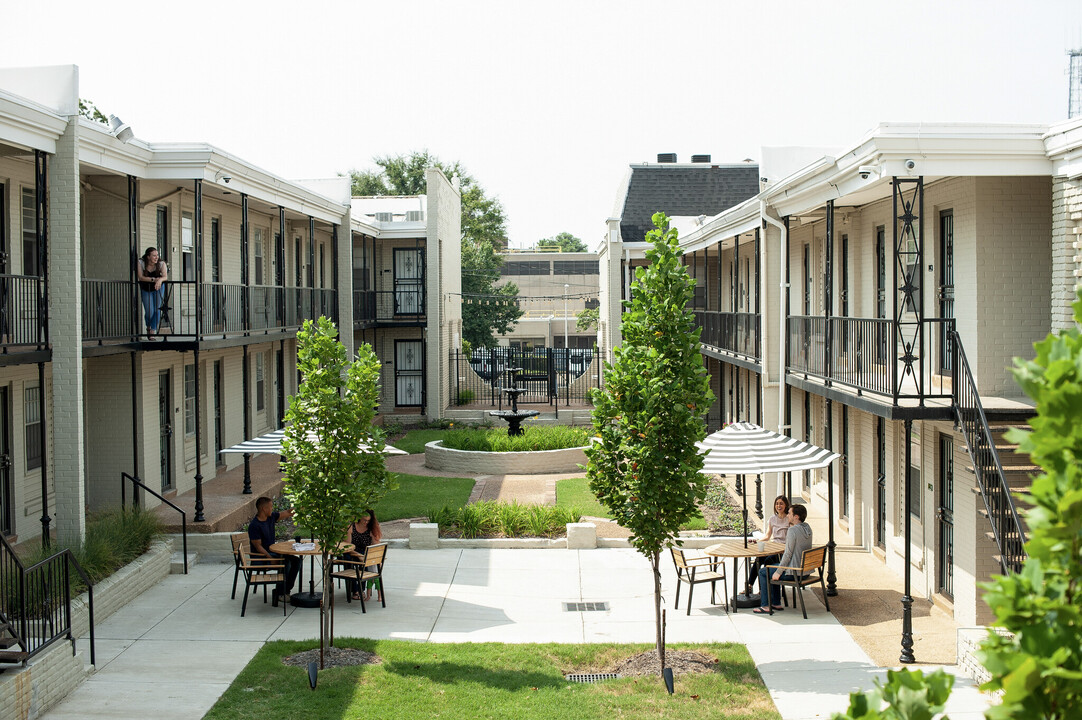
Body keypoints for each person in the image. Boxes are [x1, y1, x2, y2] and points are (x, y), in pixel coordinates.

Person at [754, 503, 812, 613]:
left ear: (796, 517)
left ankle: (765, 605)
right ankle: (776, 603)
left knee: (763, 571)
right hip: (805, 571)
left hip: (795, 573)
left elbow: (788, 554)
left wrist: (779, 572)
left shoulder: (792, 531)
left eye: (789, 513)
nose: (787, 516)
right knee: (773, 568)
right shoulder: (807, 528)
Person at [247, 496, 300, 603]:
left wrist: (295, 511)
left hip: (273, 552)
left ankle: (286, 590)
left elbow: (284, 514)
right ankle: (280, 593)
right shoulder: (255, 525)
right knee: (286, 562)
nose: (272, 509)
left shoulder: (270, 517)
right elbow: (258, 547)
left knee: (297, 561)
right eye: (271, 507)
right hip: (261, 557)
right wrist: (270, 557)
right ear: (263, 509)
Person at [747, 495, 791, 594]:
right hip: (773, 546)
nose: (778, 506)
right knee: (758, 560)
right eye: (777, 504)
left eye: (781, 504)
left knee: (768, 560)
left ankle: (764, 590)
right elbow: (767, 536)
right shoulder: (772, 519)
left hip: (783, 550)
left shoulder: (789, 519)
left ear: (786, 505)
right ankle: (750, 585)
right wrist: (756, 542)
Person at [341, 510, 383, 602]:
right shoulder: (351, 527)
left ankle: (361, 590)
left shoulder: (371, 528)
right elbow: (347, 546)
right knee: (350, 560)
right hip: (351, 551)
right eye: (364, 520)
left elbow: (376, 547)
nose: (366, 523)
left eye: (368, 521)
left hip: (364, 552)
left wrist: (373, 537)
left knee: (364, 562)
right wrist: (358, 555)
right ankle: (355, 590)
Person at [136, 247, 167, 340]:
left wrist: (160, 280)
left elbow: (165, 277)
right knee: (149, 311)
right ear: (148, 256)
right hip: (146, 289)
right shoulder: (141, 263)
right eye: (154, 255)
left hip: (158, 288)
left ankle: (152, 331)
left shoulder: (161, 264)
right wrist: (153, 279)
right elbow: (141, 277)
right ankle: (148, 325)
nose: (156, 257)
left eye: (157, 255)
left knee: (157, 309)